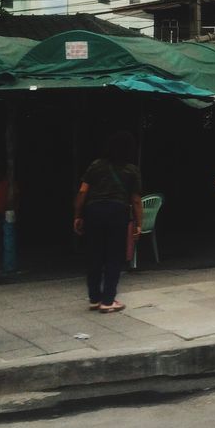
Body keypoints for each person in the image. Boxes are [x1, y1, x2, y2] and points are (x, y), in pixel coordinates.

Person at [73, 130, 143, 313]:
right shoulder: (132, 170)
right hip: (117, 212)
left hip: (94, 211)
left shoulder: (96, 165)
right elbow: (136, 200)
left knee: (94, 255)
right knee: (114, 256)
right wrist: (139, 223)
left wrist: (78, 215)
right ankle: (108, 300)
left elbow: (82, 192)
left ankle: (94, 298)